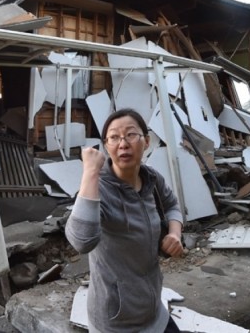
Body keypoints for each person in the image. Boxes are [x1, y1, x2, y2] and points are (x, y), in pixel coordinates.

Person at [65, 108, 184, 332]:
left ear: (146, 141)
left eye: (131, 134)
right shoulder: (97, 189)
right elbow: (81, 241)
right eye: (114, 137)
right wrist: (90, 170)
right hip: (116, 321)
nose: (123, 143)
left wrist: (174, 233)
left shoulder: (152, 179)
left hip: (153, 310)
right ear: (106, 145)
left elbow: (171, 205)